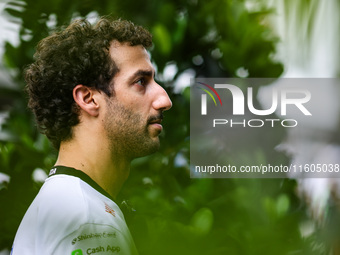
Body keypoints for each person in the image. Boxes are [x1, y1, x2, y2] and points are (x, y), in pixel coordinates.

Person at [11, 17, 172, 255]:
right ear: (88, 99)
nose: (164, 100)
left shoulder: (67, 204)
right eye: (140, 82)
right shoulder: (87, 219)